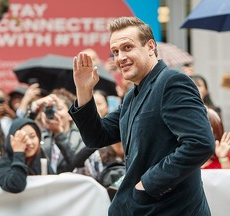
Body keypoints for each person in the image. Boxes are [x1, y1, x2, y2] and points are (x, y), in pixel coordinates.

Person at [69, 17, 215, 215]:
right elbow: (97, 137)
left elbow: (200, 143)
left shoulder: (172, 81)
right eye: (115, 52)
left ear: (150, 46)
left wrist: (148, 183)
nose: (120, 57)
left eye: (127, 47)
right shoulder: (131, 96)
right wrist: (84, 91)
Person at [0, 118, 52, 193]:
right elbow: (16, 185)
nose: (29, 142)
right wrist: (18, 152)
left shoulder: (43, 165)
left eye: (32, 136)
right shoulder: (1, 165)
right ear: (11, 140)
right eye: (23, 138)